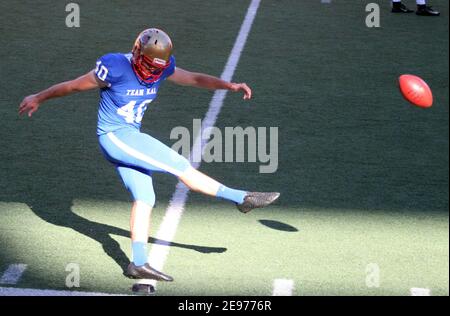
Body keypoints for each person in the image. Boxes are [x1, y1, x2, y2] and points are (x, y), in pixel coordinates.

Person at [19, 28, 280, 282]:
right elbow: (73, 86)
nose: (150, 72)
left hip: (128, 135)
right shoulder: (115, 66)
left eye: (156, 68)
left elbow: (193, 79)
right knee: (179, 165)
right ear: (136, 51)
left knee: (145, 197)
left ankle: (138, 263)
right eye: (147, 65)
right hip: (116, 136)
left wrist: (229, 86)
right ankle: (241, 198)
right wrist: (39, 97)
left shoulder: (161, 66)